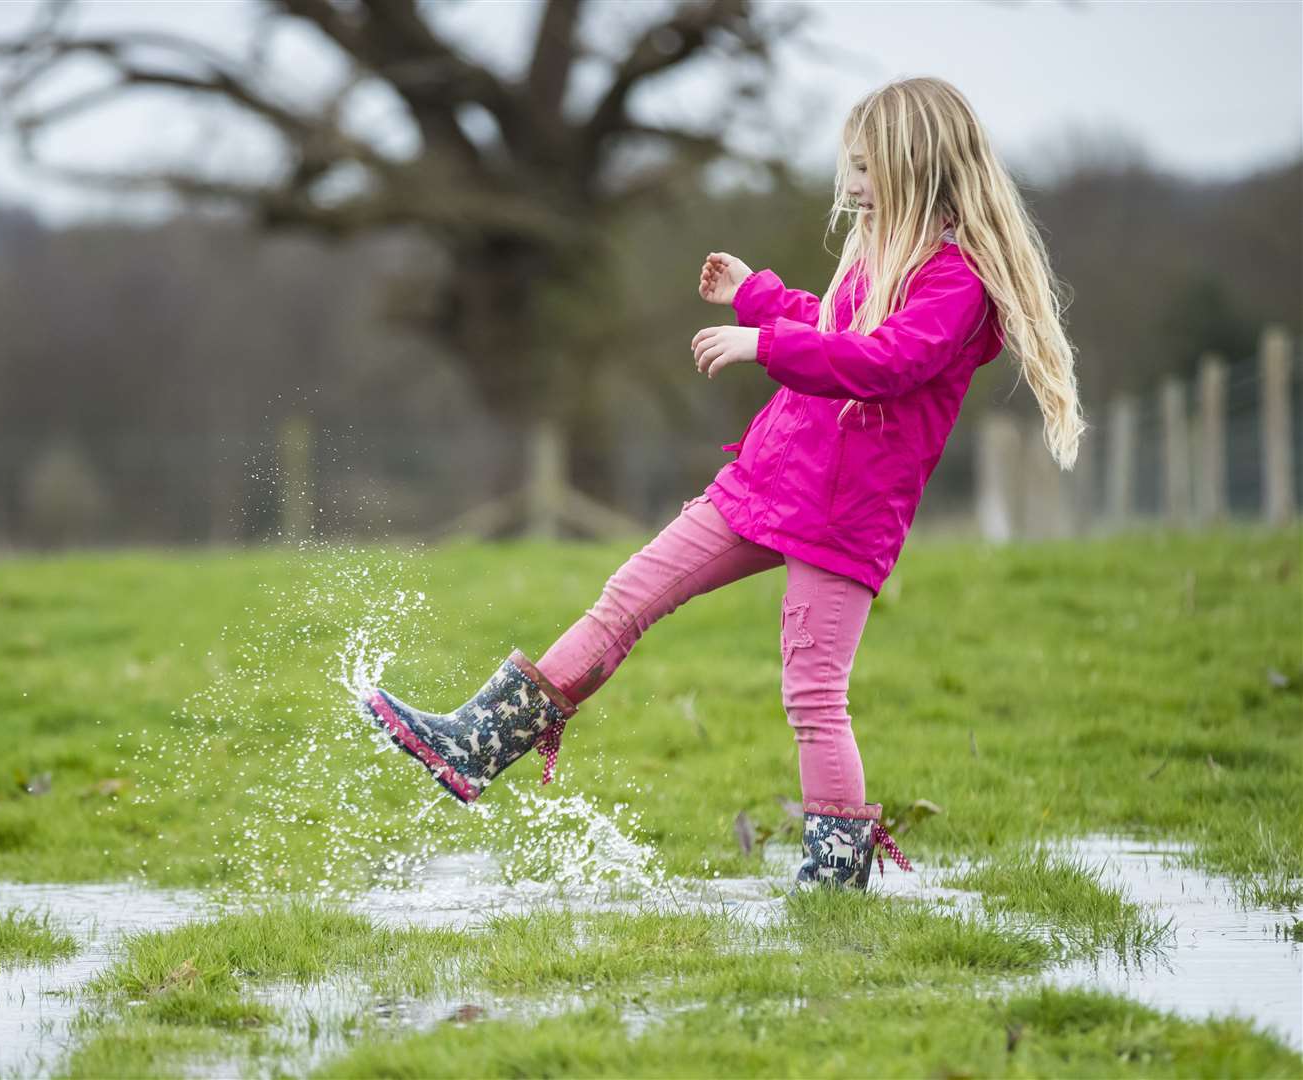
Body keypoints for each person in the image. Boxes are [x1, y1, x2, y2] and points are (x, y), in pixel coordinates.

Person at [357, 76, 1087, 890]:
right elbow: (833, 325)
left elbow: (885, 364)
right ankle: (476, 745)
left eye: (865, 170)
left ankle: (835, 877)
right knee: (626, 596)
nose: (849, 187)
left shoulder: (955, 282)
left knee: (813, 694)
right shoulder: (879, 256)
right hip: (769, 480)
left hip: (845, 517)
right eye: (849, 168)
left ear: (915, 167)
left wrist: (760, 344)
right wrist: (758, 296)